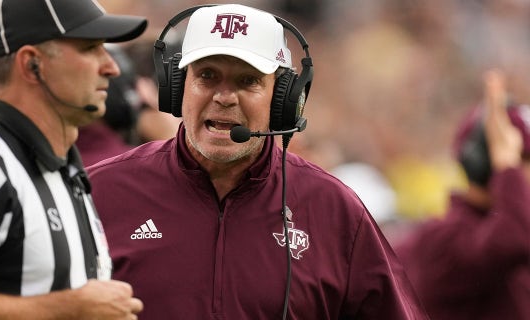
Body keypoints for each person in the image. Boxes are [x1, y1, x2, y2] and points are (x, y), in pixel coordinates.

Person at [87, 4, 429, 319]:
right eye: (206, 76)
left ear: (282, 100)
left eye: (247, 81)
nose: (223, 97)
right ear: (176, 87)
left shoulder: (335, 209)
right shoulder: (99, 192)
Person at [0, 0, 147, 319]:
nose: (111, 67)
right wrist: (71, 308)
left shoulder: (65, 168)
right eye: (90, 48)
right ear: (31, 64)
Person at [394, 69, 530, 319]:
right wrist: (508, 166)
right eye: (525, 159)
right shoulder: (446, 238)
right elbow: (514, 239)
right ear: (484, 162)